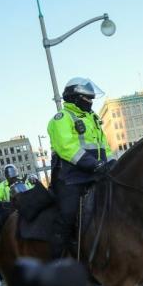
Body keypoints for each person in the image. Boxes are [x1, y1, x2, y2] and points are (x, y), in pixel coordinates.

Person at [47, 77, 112, 258]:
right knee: (68, 214)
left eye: (92, 98)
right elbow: (66, 147)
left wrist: (113, 164)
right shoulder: (61, 118)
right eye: (87, 98)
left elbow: (104, 146)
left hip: (96, 173)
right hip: (71, 177)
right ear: (76, 97)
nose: (91, 102)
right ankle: (56, 260)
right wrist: (93, 164)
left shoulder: (93, 118)